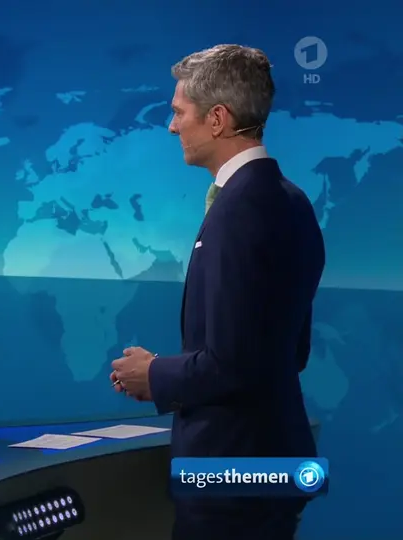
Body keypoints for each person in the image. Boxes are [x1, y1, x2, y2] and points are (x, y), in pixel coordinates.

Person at [108, 45, 325, 540]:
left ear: (218, 119)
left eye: (179, 112)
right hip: (272, 458)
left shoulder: (241, 211)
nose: (172, 127)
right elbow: (289, 351)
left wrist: (153, 374)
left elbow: (234, 363)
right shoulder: (291, 201)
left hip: (233, 469)